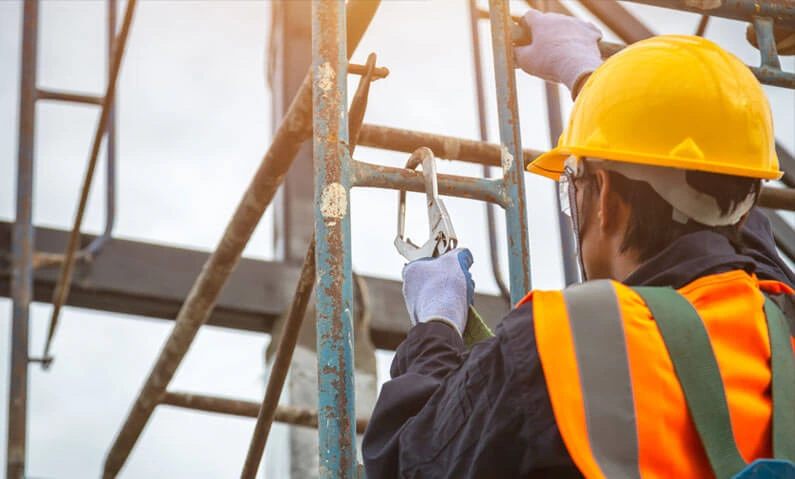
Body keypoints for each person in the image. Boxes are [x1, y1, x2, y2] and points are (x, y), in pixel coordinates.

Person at [362, 9, 795, 479]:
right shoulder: (782, 321)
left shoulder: (563, 341)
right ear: (747, 201)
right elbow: (721, 211)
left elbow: (406, 461)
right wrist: (590, 79)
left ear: (604, 198)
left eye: (574, 188)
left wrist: (436, 325)